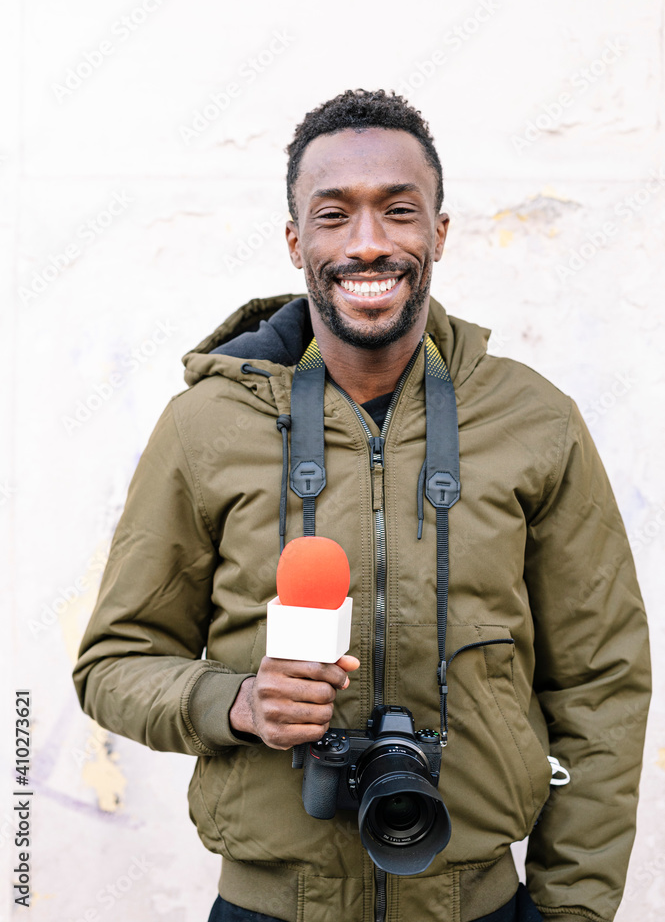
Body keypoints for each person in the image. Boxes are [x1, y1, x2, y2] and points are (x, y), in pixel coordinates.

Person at [73, 89, 651, 922]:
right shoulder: (204, 425)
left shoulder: (535, 420)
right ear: (295, 241)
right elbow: (113, 664)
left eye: (398, 210)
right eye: (334, 214)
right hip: (270, 907)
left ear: (439, 233)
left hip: (479, 903)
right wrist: (235, 703)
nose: (368, 242)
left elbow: (601, 682)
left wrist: (573, 914)